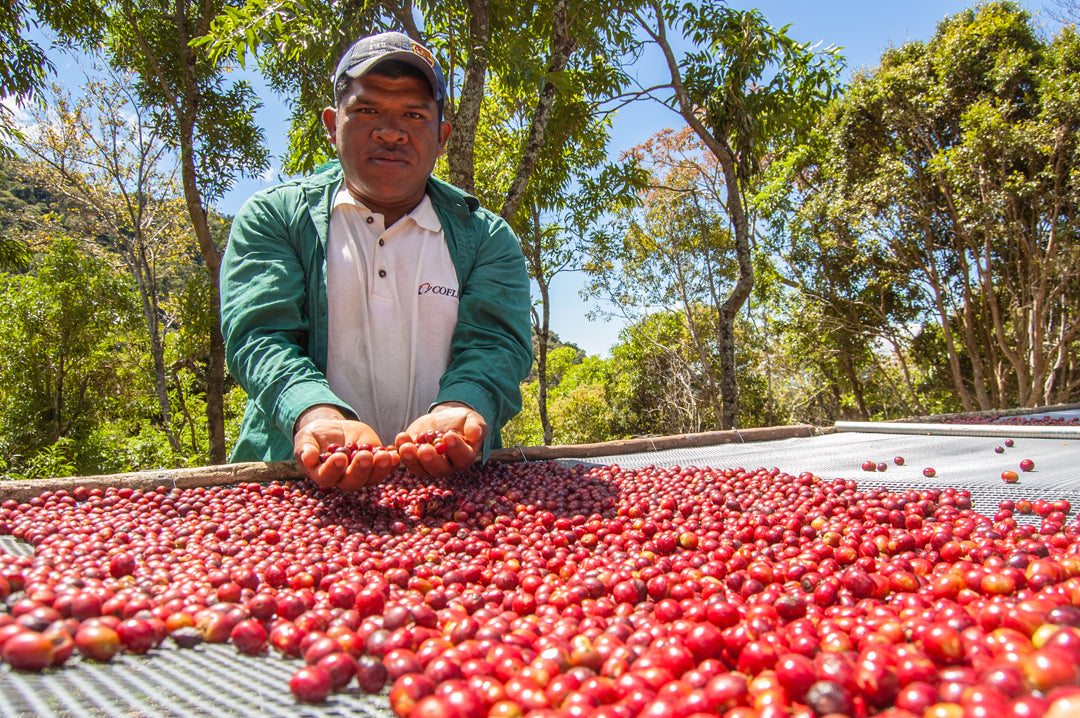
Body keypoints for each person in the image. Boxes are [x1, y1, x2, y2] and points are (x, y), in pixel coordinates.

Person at [220, 31, 533, 491]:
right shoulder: (277, 217)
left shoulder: (484, 236)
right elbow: (261, 336)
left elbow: (497, 346)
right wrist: (314, 413)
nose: (390, 131)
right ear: (332, 125)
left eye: (413, 113)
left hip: (454, 494)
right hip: (301, 488)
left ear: (442, 136)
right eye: (367, 111)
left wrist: (462, 407)